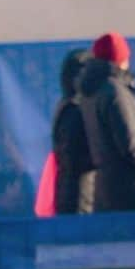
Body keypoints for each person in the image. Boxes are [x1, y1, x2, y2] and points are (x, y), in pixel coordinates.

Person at [78, 32, 135, 213]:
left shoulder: (90, 92)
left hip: (104, 190)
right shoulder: (116, 92)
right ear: (120, 60)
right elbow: (130, 143)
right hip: (131, 190)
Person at [51, 48, 94, 214]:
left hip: (73, 193)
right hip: (79, 196)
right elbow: (72, 157)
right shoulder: (74, 111)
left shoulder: (69, 107)